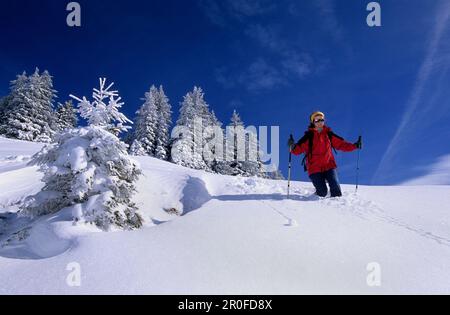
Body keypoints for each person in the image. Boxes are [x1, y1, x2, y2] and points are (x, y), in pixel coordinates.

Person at [288, 111, 362, 198]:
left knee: (335, 188)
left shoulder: (328, 134)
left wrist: (355, 146)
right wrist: (292, 146)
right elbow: (297, 150)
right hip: (314, 168)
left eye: (321, 120)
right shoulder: (309, 136)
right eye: (317, 120)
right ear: (313, 122)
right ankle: (317, 198)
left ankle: (338, 208)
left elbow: (342, 145)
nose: (319, 122)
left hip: (329, 165)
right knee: (322, 193)